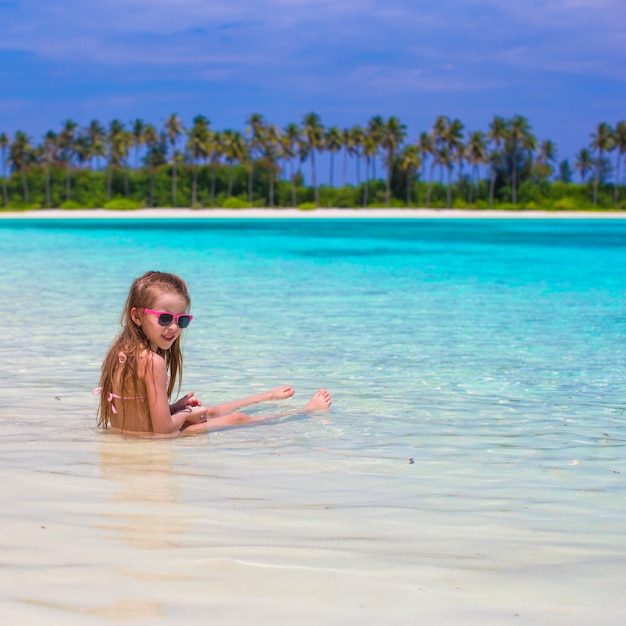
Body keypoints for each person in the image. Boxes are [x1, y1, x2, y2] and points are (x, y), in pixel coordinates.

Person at [96, 271, 331, 437]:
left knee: (208, 411)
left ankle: (263, 397)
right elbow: (163, 432)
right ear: (137, 316)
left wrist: (176, 408)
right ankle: (305, 412)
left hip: (140, 432)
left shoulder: (123, 349)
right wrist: (185, 417)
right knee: (235, 419)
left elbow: (138, 409)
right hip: (148, 438)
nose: (173, 327)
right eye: (165, 318)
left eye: (182, 320)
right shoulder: (152, 361)